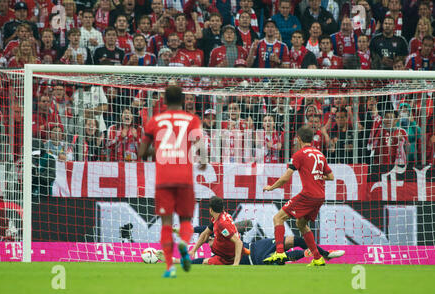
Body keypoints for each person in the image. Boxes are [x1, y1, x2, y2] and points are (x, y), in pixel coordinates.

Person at [138, 84, 206, 278]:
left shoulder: (155, 120)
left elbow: (142, 153)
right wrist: (202, 160)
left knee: (166, 223)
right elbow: (201, 147)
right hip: (184, 178)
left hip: (163, 179)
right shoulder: (192, 119)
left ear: (164, 101)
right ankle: (184, 242)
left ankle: (169, 267)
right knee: (185, 220)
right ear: (183, 100)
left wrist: (159, 150)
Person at [263, 125, 334, 266]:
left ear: (299, 139)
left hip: (308, 195)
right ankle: (318, 257)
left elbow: (285, 178)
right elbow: (330, 176)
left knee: (278, 218)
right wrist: (317, 176)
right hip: (320, 196)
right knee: (301, 224)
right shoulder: (320, 154)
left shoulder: (299, 154)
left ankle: (279, 252)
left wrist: (271, 187)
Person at [160, 225, 345, 265]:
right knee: (284, 259)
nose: (209, 238)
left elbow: (208, 228)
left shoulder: (223, 234)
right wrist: (175, 260)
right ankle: (304, 255)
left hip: (259, 246)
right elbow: (200, 261)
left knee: (291, 239)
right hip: (256, 260)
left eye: (209, 237)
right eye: (208, 239)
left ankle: (324, 254)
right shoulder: (218, 256)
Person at [187, 196, 245, 265]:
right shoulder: (220, 217)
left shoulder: (221, 224)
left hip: (228, 259)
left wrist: (235, 264)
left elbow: (239, 242)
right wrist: (193, 250)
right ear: (222, 207)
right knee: (204, 261)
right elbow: (205, 234)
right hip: (223, 255)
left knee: (203, 262)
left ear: (210, 210)